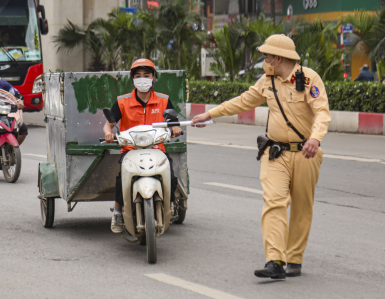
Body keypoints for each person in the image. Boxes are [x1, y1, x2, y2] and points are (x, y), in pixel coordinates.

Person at [192, 34, 331, 279]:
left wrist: (315, 138)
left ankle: (294, 259)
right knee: (274, 203)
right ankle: (275, 261)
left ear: (278, 58)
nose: (264, 59)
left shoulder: (310, 79)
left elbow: (322, 112)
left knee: (302, 207)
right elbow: (244, 101)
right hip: (275, 153)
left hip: (306, 154)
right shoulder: (267, 82)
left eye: (267, 55)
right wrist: (210, 114)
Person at [103, 58, 182, 233]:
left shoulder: (163, 101)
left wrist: (175, 128)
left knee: (171, 177)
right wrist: (108, 133)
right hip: (131, 150)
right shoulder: (122, 102)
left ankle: (170, 205)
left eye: (146, 75)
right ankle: (117, 211)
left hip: (157, 149)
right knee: (121, 179)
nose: (142, 79)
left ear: (154, 78)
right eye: (138, 75)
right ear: (132, 79)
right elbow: (109, 123)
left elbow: (174, 122)